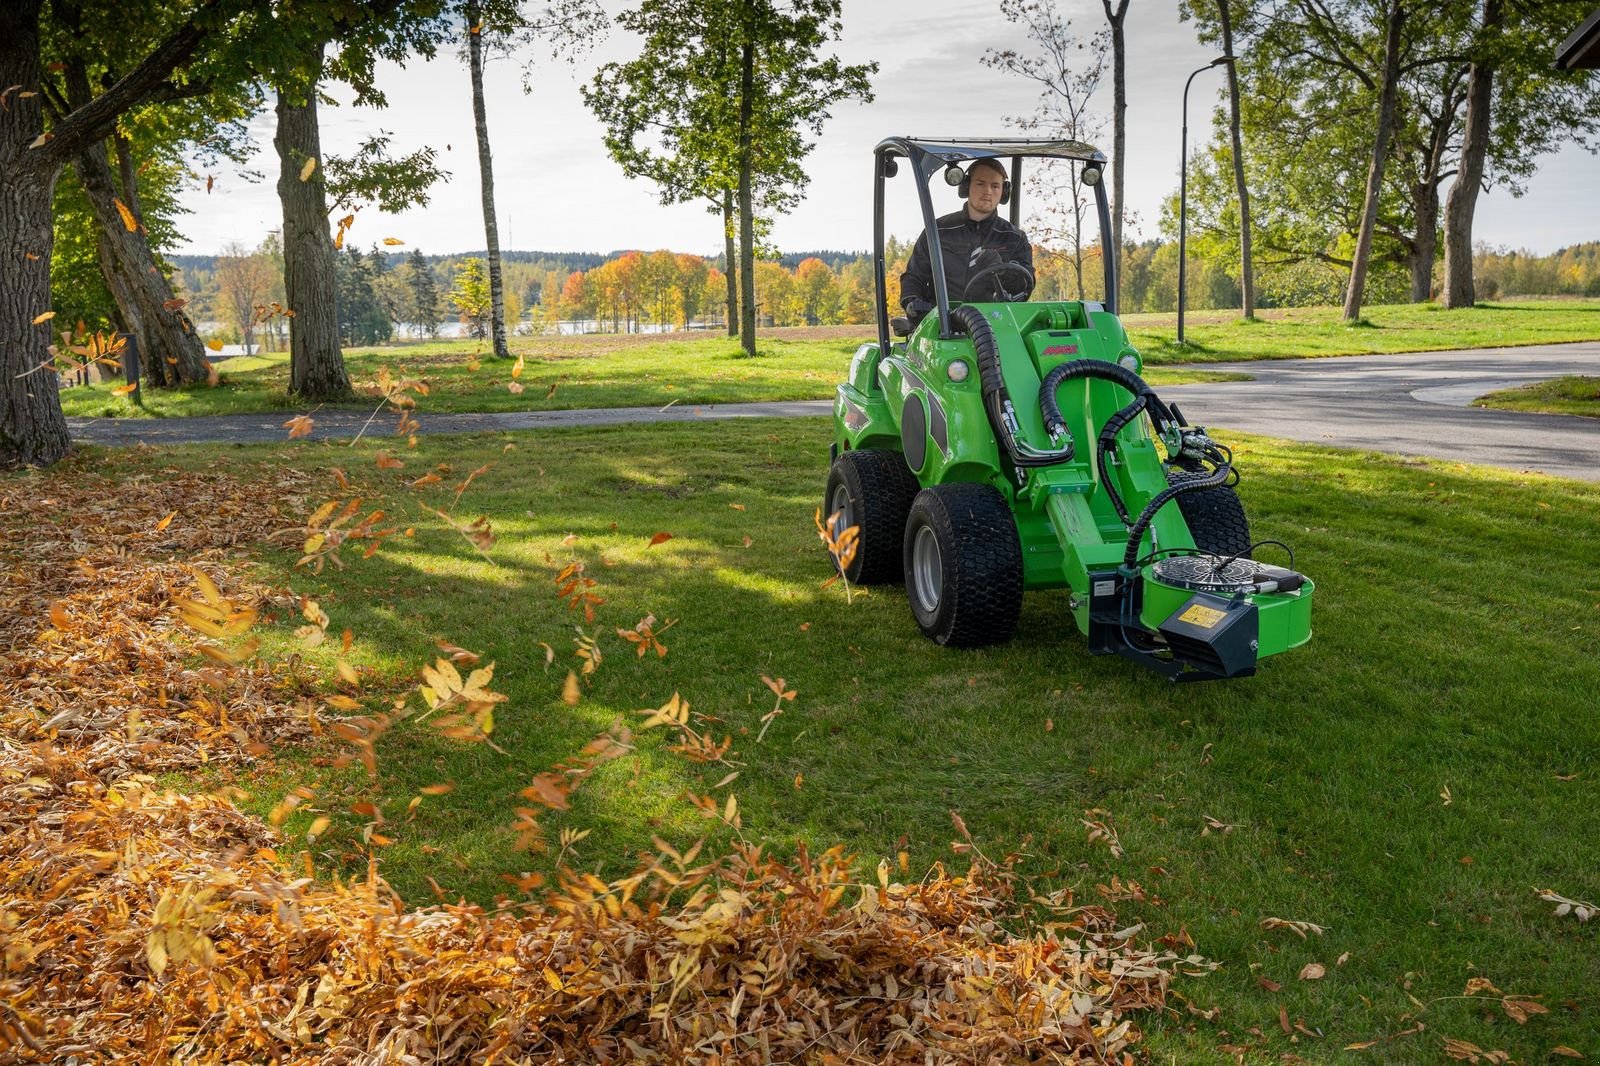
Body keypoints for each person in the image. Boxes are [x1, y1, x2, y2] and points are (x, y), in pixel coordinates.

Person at [900, 156, 1033, 324]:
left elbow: (1025, 284)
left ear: (1004, 191)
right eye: (980, 184)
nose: (988, 191)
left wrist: (1003, 271)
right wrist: (912, 302)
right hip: (941, 326)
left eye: (995, 186)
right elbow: (914, 277)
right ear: (966, 186)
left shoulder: (1015, 238)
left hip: (995, 326)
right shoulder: (937, 231)